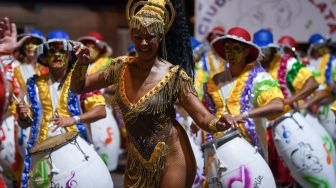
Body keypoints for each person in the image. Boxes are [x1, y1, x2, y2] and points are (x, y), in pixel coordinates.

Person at [70, 0, 236, 187]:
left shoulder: (175, 76)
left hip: (172, 156)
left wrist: (218, 122)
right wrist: (82, 64)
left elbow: (202, 117)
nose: (143, 43)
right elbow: (79, 87)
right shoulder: (120, 67)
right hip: (136, 159)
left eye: (150, 37)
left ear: (160, 37)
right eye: (138, 36)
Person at [16, 30, 110, 187]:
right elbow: (25, 124)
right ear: (45, 57)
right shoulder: (33, 84)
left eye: (62, 51)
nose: (57, 55)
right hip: (41, 151)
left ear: (69, 56)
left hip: (75, 148)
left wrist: (73, 119)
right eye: (52, 51)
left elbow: (101, 111)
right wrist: (23, 116)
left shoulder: (81, 81)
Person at [253, 30, 319, 187]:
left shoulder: (287, 63)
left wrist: (288, 100)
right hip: (260, 129)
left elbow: (312, 83)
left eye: (265, 50)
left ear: (273, 48)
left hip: (285, 127)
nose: (262, 54)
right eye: (259, 50)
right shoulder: (251, 67)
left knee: (289, 176)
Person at [206, 27, 284, 154]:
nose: (231, 53)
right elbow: (208, 112)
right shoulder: (216, 81)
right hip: (220, 150)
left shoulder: (259, 78)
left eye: (236, 48)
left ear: (246, 51)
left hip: (251, 151)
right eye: (227, 48)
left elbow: (278, 105)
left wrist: (244, 115)